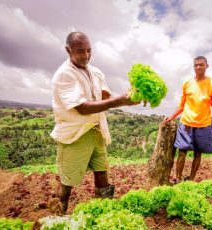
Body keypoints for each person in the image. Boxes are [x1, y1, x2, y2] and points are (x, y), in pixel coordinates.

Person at [50, 31, 139, 213]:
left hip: (97, 131)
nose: (86, 55)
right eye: (80, 51)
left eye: (89, 50)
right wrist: (121, 100)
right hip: (76, 135)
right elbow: (82, 107)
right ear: (68, 50)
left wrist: (130, 95)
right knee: (68, 181)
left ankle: (103, 212)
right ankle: (58, 215)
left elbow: (105, 98)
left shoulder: (95, 72)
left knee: (101, 172)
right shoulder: (64, 74)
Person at [165, 56, 212, 183]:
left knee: (198, 154)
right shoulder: (187, 83)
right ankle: (178, 179)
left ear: (207, 66)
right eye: (196, 65)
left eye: (201, 65)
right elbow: (182, 105)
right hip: (186, 123)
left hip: (204, 125)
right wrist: (172, 117)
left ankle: (192, 180)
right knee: (182, 152)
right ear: (193, 67)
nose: (198, 67)